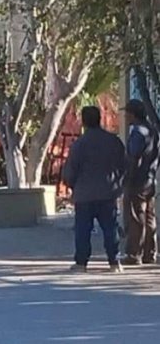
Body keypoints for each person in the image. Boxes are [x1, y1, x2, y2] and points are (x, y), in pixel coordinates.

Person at [62, 105, 126, 273]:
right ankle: (114, 262)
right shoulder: (113, 141)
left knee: (83, 229)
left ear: (83, 122)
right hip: (108, 192)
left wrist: (71, 185)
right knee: (110, 228)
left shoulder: (79, 144)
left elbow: (70, 170)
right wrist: (118, 185)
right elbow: (123, 165)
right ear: (100, 119)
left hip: (84, 194)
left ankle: (81, 263)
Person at [122, 99, 159, 265]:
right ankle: (150, 252)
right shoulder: (152, 130)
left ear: (132, 114)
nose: (125, 116)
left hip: (137, 180)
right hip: (150, 179)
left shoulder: (137, 132)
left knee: (136, 216)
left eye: (127, 113)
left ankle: (134, 253)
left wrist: (128, 178)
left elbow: (134, 157)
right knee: (150, 216)